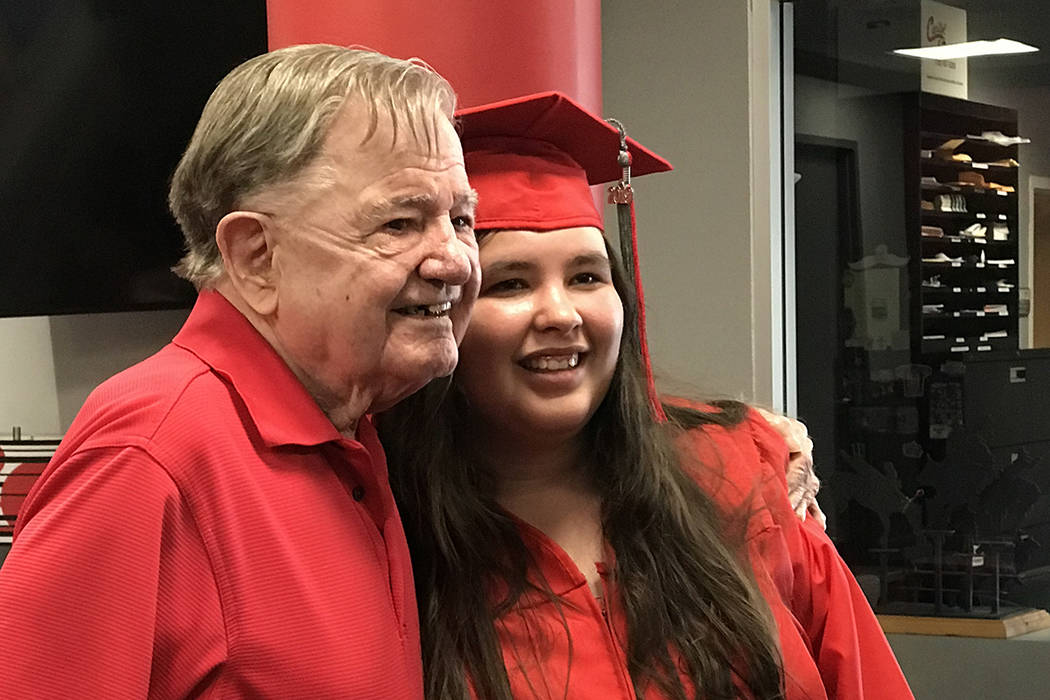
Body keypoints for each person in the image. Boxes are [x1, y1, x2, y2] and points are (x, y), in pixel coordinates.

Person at [378, 92, 911, 699]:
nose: (561, 313)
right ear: (444, 312)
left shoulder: (741, 474)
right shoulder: (388, 534)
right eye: (510, 283)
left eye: (586, 276)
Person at [0, 44, 479, 698]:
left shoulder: (350, 434)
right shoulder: (147, 456)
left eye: (461, 219)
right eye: (400, 222)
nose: (452, 260)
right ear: (256, 256)